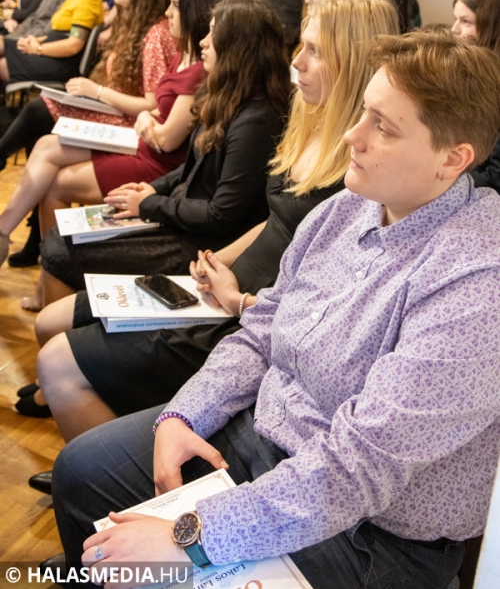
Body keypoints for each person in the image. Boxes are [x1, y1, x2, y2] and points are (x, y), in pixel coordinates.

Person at [50, 31, 500, 589]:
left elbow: (359, 467)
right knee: (81, 470)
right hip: (265, 440)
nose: (352, 135)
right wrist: (186, 414)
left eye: (383, 127)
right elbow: (261, 330)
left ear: (452, 159)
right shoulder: (347, 208)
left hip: (369, 534)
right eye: (363, 112)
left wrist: (191, 536)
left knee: (142, 563)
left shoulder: (478, 281)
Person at [31, 0, 399, 440]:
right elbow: (276, 223)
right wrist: (216, 262)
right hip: (227, 288)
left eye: (315, 51)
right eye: (301, 46)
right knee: (57, 328)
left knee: (59, 360)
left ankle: (110, 462)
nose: (297, 62)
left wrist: (238, 298)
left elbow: (327, 303)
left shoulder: (360, 167)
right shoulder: (307, 121)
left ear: (352, 63)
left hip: (250, 316)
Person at [0, 0, 227, 314]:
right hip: (143, 144)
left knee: (54, 181)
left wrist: (142, 116)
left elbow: (166, 138)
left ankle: (52, 276)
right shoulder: (182, 56)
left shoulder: (196, 68)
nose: (168, 13)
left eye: (176, 6)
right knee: (46, 144)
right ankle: (27, 256)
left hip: (156, 163)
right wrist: (147, 118)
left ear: (194, 10)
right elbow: (157, 111)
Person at [2, 0, 176, 274]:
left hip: (135, 129)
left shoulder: (155, 33)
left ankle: (11, 235)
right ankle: (10, 234)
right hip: (120, 116)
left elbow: (152, 105)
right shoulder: (135, 24)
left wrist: (96, 92)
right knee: (43, 135)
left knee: (41, 119)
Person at [451, 0, 500, 194]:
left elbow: (495, 175)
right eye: (456, 19)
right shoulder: (469, 74)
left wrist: (438, 181)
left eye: (466, 21)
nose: (454, 29)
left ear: (492, 27)